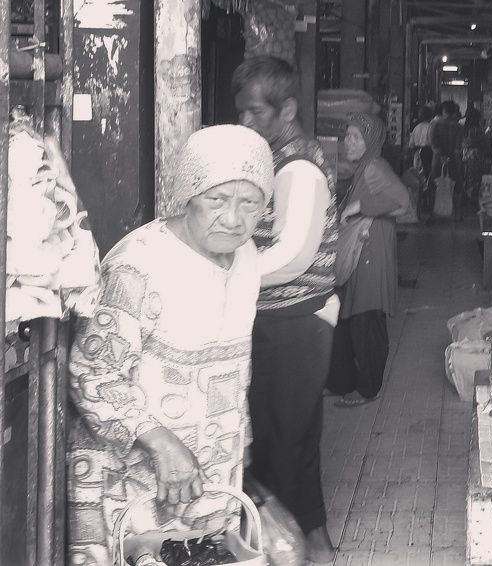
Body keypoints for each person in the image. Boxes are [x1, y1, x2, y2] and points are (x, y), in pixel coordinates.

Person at [67, 125, 274, 566]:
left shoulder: (247, 256)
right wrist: (160, 441)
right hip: (131, 487)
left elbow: (235, 362)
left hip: (207, 482)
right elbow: (91, 372)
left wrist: (242, 439)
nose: (233, 218)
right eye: (217, 199)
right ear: (188, 194)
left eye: (250, 203)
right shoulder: (139, 264)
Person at [232, 55, 339, 564]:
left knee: (287, 438)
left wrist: (229, 277)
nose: (245, 121)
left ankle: (301, 545)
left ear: (288, 110)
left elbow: (294, 255)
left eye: (256, 112)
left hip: (296, 322)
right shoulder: (275, 159)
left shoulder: (299, 168)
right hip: (280, 319)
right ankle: (299, 542)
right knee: (281, 435)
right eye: (242, 110)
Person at [326, 112, 410, 407]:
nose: (347, 142)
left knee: (366, 319)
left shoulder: (374, 167)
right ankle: (341, 381)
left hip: (371, 251)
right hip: (361, 249)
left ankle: (367, 388)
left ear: (370, 141)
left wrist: (362, 205)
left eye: (356, 137)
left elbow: (403, 203)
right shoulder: (363, 167)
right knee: (347, 318)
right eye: (347, 136)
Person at [430, 100, 464, 218]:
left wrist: (441, 156)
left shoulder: (435, 125)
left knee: (434, 185)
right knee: (456, 186)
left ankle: (433, 214)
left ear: (443, 111)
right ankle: (457, 214)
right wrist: (451, 156)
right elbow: (458, 147)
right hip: (453, 160)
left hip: (438, 159)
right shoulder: (459, 127)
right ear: (454, 112)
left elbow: (433, 144)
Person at [407, 104, 434, 217]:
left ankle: (419, 203)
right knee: (429, 178)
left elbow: (411, 144)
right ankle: (427, 203)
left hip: (417, 154)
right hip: (429, 153)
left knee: (418, 178)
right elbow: (433, 142)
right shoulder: (431, 127)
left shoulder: (416, 128)